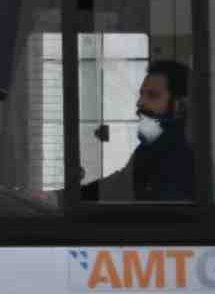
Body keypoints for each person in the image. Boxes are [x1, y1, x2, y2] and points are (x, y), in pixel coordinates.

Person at [81, 61, 196, 202]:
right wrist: (58, 197)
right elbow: (112, 188)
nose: (140, 102)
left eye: (152, 95)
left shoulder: (188, 162)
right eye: (141, 94)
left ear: (180, 107)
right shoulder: (146, 152)